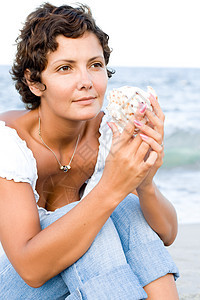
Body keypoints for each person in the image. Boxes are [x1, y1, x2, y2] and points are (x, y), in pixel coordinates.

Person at [0, 2, 179, 299]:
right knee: (93, 223)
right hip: (14, 284)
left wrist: (145, 185)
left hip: (90, 283)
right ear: (34, 81)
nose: (86, 82)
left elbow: (167, 235)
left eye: (95, 65)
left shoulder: (111, 132)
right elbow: (31, 271)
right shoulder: (8, 143)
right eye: (65, 68)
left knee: (126, 209)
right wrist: (111, 188)